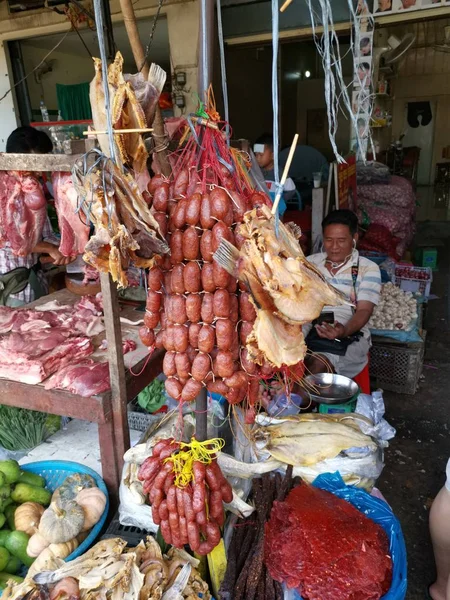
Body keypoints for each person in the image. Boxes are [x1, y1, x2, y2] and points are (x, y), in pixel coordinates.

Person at [303, 209, 381, 378]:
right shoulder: (310, 263)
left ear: (355, 239)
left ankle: (292, 403)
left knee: (318, 364)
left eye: (341, 240)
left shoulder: (367, 268)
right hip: (308, 326)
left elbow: (364, 311)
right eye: (329, 240)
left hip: (347, 336)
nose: (334, 247)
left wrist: (343, 331)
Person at [0, 126, 72, 307]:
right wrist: (49, 248)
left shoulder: (32, 188)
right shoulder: (4, 191)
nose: (40, 173)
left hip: (36, 279)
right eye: (34, 166)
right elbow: (13, 241)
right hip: (13, 285)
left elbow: (45, 232)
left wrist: (64, 248)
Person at [253, 133, 297, 215]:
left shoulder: (280, 173)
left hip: (277, 213)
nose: (257, 158)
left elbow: (291, 190)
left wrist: (280, 201)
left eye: (261, 155)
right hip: (260, 212)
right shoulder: (256, 172)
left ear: (273, 155)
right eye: (255, 155)